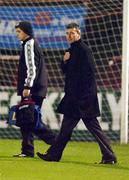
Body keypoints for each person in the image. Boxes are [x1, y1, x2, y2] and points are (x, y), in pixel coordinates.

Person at [37, 23, 117, 164]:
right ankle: (108, 156)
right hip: (76, 98)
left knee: (72, 129)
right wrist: (64, 61)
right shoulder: (71, 51)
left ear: (78, 33)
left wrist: (83, 98)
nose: (69, 36)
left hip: (82, 99)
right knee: (69, 130)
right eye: (67, 33)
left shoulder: (84, 50)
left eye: (72, 33)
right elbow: (67, 72)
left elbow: (89, 75)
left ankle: (54, 155)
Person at [14, 21, 55, 157]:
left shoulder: (29, 44)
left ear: (26, 32)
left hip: (33, 89)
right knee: (27, 120)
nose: (17, 34)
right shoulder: (28, 44)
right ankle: (27, 150)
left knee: (31, 120)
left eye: (19, 31)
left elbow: (32, 68)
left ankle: (56, 142)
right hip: (35, 87)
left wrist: (27, 86)